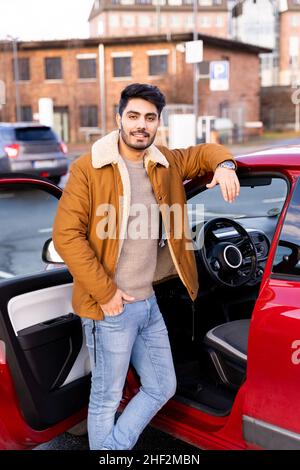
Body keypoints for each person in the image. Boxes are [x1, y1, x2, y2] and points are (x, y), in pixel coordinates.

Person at [52, 83, 240, 450]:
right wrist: (106, 294)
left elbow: (205, 152)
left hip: (148, 304)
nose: (142, 125)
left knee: (161, 386)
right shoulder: (90, 167)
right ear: (119, 118)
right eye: (134, 116)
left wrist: (227, 165)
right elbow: (66, 236)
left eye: (150, 118)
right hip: (109, 308)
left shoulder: (165, 162)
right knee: (106, 399)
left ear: (158, 123)